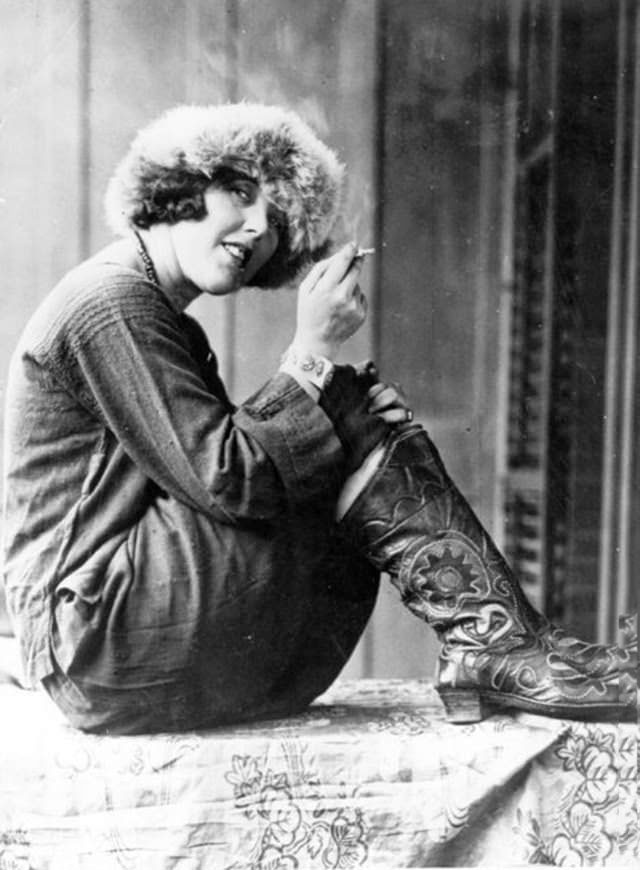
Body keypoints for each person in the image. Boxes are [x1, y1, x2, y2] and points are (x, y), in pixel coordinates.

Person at [2, 103, 635, 735]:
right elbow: (231, 482)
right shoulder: (109, 302)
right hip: (90, 638)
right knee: (341, 404)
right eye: (241, 193)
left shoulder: (158, 315)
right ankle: (501, 646)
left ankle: (501, 641)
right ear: (178, 187)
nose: (256, 229)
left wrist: (346, 421)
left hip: (114, 634)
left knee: (344, 407)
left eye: (277, 221)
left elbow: (229, 477)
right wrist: (315, 365)